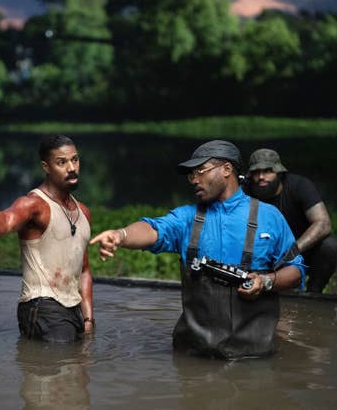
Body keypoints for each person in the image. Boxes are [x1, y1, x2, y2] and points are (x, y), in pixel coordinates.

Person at [90, 140, 305, 359]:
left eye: (200, 171)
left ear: (227, 169)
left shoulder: (269, 217)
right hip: (193, 356)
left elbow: (296, 271)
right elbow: (153, 229)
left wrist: (266, 281)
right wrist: (121, 235)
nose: (194, 180)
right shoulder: (186, 218)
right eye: (191, 175)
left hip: (255, 357)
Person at [0, 134, 94, 343]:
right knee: (60, 368)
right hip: (43, 306)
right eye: (61, 162)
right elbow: (7, 219)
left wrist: (89, 318)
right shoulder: (34, 204)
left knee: (76, 371)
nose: (71, 168)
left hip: (73, 311)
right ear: (46, 167)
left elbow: (83, 271)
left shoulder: (83, 212)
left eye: (75, 159)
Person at [244, 148, 337, 293]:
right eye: (256, 172)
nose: (261, 176)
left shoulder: (299, 185)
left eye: (268, 171)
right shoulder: (245, 190)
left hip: (300, 249)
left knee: (329, 246)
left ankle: (314, 292)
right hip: (263, 252)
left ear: (279, 172)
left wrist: (293, 250)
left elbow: (323, 223)